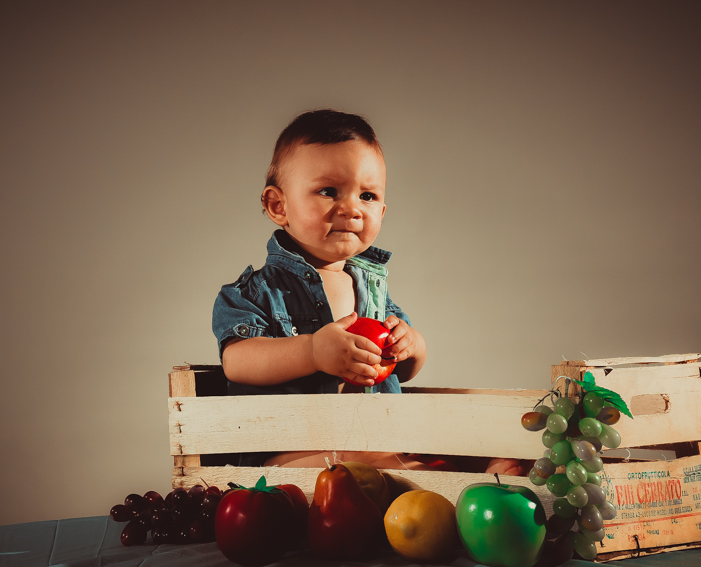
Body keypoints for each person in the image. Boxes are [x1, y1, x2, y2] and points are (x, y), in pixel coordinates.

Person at [212, 109, 522, 475]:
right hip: (296, 451)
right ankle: (440, 479)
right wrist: (312, 351)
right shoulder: (256, 291)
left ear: (383, 210)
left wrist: (411, 346)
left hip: (379, 435)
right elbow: (238, 360)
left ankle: (473, 473)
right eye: (328, 191)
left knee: (463, 446)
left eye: (368, 196)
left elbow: (403, 373)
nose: (352, 209)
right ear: (278, 206)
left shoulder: (373, 291)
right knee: (366, 467)